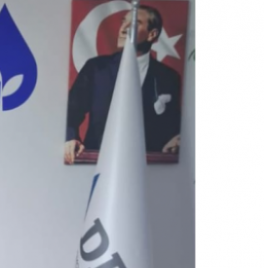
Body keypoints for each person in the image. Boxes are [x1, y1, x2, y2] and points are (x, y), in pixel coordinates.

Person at [64, 5, 182, 164]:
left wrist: (175, 140)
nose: (123, 28)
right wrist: (70, 138)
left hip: (148, 167)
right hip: (96, 163)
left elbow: (173, 125)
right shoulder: (96, 69)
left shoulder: (168, 77)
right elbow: (71, 111)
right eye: (123, 22)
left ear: (152, 34)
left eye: (133, 23)